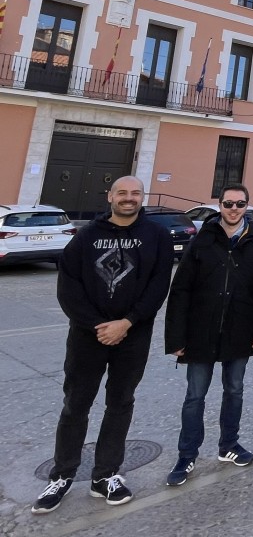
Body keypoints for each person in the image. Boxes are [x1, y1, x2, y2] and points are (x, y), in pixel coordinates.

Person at [33, 177, 173, 514]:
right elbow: (68, 287)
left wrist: (126, 323)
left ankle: (105, 475)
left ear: (142, 197)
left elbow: (158, 285)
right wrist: (98, 326)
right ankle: (63, 474)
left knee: (121, 403)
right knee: (75, 405)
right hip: (87, 337)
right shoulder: (86, 237)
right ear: (110, 196)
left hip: (133, 335)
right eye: (122, 193)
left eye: (135, 193)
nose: (129, 199)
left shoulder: (157, 236)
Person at [164, 183, 253, 486]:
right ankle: (186, 456)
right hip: (200, 329)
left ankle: (228, 445)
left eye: (240, 205)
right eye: (229, 204)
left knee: (235, 390)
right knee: (194, 396)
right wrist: (176, 337)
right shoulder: (203, 239)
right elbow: (180, 290)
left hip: (240, 328)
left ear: (247, 207)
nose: (234, 209)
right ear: (219, 206)